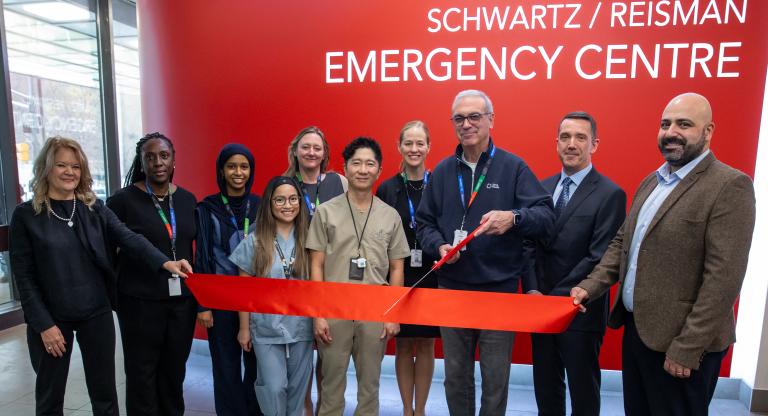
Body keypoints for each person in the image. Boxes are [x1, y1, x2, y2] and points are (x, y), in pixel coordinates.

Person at [572, 93, 756, 415]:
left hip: (682, 346)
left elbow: (723, 280)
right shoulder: (652, 182)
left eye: (684, 124)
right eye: (665, 124)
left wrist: (687, 347)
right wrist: (589, 286)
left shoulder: (730, 186)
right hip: (639, 334)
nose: (671, 132)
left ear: (708, 131)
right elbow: (623, 243)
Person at [9, 136, 191, 416]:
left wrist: (165, 263)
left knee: (105, 396)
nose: (69, 172)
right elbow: (24, 278)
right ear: (46, 168)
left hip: (96, 313)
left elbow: (129, 238)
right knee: (50, 397)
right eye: (61, 165)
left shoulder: (94, 208)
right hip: (52, 319)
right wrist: (44, 325)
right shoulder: (26, 215)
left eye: (76, 166)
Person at [415, 89, 555, 416]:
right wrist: (439, 245)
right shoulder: (443, 172)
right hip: (452, 289)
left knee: (495, 379)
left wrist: (514, 217)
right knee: (455, 377)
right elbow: (423, 223)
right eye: (459, 118)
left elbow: (546, 216)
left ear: (491, 120)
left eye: (474, 116)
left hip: (498, 291)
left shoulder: (513, 167)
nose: (467, 124)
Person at [521, 112, 626, 416]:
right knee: (546, 388)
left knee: (583, 392)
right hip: (539, 307)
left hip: (581, 309)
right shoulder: (541, 189)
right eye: (565, 137)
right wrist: (532, 290)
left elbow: (600, 255)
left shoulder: (610, 194)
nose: (572, 144)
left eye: (581, 137)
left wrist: (556, 301)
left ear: (594, 144)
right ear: (556, 143)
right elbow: (528, 245)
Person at [307, 137, 410, 416]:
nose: (363, 170)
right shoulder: (326, 213)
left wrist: (393, 314)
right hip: (334, 312)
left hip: (374, 313)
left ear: (379, 170)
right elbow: (316, 265)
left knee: (370, 388)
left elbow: (397, 268)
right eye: (356, 163)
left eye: (369, 164)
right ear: (345, 168)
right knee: (330, 385)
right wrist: (318, 313)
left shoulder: (390, 216)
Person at [107, 132, 198, 416]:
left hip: (181, 303)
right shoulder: (122, 201)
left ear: (173, 160)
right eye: (150, 157)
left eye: (164, 156)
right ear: (142, 162)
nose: (158, 162)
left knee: (174, 372)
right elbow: (108, 252)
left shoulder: (187, 199)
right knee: (141, 374)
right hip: (139, 302)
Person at [230, 176, 314, 416]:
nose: (288, 205)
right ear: (269, 203)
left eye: (293, 199)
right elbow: (244, 291)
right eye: (280, 200)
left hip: (301, 327)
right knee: (274, 387)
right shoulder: (254, 241)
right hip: (266, 327)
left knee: (297, 389)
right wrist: (244, 328)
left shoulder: (310, 240)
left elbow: (319, 284)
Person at [376, 120, 439, 416]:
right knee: (402, 344)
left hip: (432, 273)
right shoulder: (388, 188)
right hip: (399, 273)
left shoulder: (438, 184)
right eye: (408, 143)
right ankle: (406, 409)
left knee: (426, 343)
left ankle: (421, 410)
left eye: (420, 143)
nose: (414, 149)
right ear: (399, 147)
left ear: (428, 147)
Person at [195, 144, 261, 415]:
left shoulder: (261, 205)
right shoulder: (206, 207)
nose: (238, 172)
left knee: (257, 366)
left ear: (251, 171)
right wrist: (203, 304)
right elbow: (202, 257)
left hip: (255, 301)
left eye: (244, 167)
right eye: (231, 166)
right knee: (225, 367)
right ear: (221, 171)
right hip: (220, 301)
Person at [285, 126, 347, 415]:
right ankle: (305, 407)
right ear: (295, 151)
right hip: (296, 276)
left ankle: (324, 405)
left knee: (327, 349)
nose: (311, 152)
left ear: (325, 153)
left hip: (331, 276)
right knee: (300, 351)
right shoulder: (285, 184)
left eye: (317, 148)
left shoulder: (339, 182)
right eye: (306, 147)